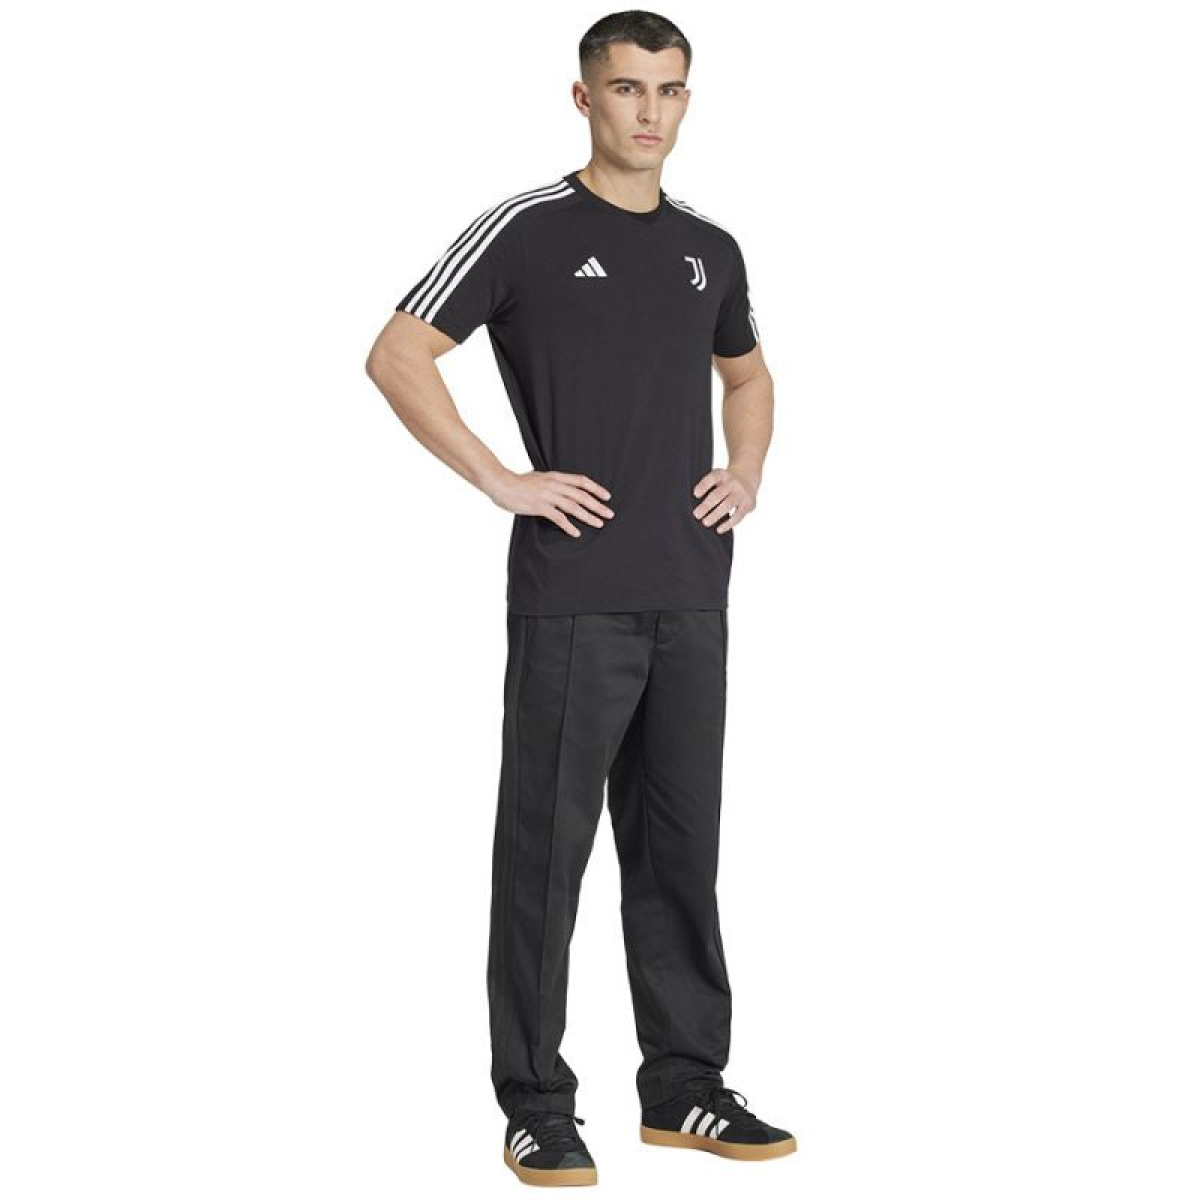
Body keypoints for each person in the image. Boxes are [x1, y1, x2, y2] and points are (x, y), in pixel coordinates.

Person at [366, 10, 793, 1187]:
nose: (649, 111)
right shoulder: (528, 229)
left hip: (691, 591)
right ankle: (536, 1104)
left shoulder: (711, 248)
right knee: (546, 857)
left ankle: (686, 1085)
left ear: (687, 101)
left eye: (669, 89)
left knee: (679, 851)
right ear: (584, 98)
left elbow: (749, 375)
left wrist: (747, 470)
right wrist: (503, 479)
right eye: (627, 88)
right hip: (573, 597)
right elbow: (397, 352)